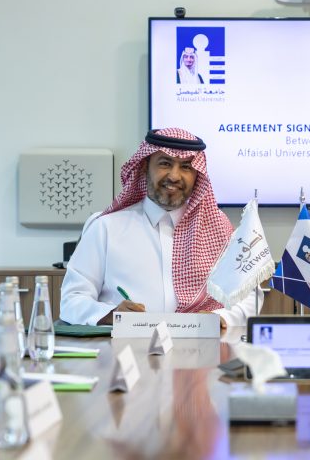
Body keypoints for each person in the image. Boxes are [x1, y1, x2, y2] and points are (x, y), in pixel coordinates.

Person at [60, 127, 262, 328]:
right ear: (144, 167)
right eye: (165, 163)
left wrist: (221, 317)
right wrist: (111, 314)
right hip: (124, 346)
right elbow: (72, 299)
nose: (174, 176)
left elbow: (249, 297)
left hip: (200, 344)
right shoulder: (105, 227)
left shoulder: (219, 229)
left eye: (186, 167)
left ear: (197, 175)